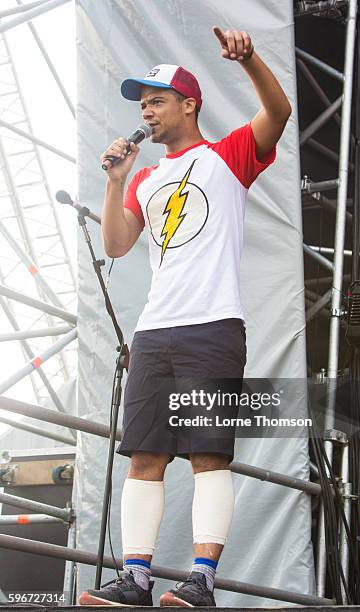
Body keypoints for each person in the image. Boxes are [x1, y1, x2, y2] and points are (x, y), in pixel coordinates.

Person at [78, 26, 291, 608]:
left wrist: (249, 62)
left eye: (156, 100)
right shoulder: (144, 177)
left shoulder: (227, 156)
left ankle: (201, 580)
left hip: (213, 324)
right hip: (154, 331)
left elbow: (279, 111)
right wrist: (116, 180)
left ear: (188, 104)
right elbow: (118, 244)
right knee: (144, 455)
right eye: (141, 103)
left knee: (207, 455)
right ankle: (137, 577)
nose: (145, 111)